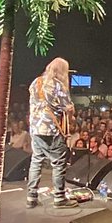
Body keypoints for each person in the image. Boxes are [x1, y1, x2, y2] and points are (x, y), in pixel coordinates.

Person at [26, 57, 77, 209]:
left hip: (35, 129)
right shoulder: (58, 85)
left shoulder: (36, 82)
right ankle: (59, 198)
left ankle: (31, 197)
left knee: (36, 162)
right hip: (51, 129)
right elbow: (68, 107)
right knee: (58, 163)